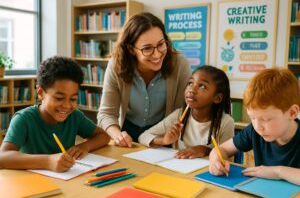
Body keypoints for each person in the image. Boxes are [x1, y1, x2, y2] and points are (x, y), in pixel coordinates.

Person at [0, 56, 110, 172]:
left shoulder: (74, 116)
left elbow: (103, 136)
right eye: (59, 98)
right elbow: (2, 157)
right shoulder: (24, 119)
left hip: (66, 181)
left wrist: (84, 147)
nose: (67, 106)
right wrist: (47, 161)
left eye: (73, 99)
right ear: (41, 93)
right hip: (32, 184)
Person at [97, 12, 192, 147]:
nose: (157, 54)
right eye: (147, 48)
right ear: (131, 49)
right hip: (127, 134)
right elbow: (106, 114)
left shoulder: (179, 64)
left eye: (161, 44)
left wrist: (161, 138)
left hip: (162, 135)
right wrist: (118, 135)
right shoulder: (116, 65)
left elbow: (180, 112)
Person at [209, 68, 300, 185]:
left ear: (292, 113)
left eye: (266, 119)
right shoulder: (254, 130)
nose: (258, 126)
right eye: (252, 118)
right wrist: (215, 160)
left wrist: (278, 172)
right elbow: (222, 149)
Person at [139, 65, 234, 159]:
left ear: (217, 98)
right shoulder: (178, 115)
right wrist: (164, 140)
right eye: (190, 83)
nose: (192, 90)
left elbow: (227, 156)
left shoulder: (226, 122)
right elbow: (143, 137)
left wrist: (204, 150)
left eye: (202, 86)